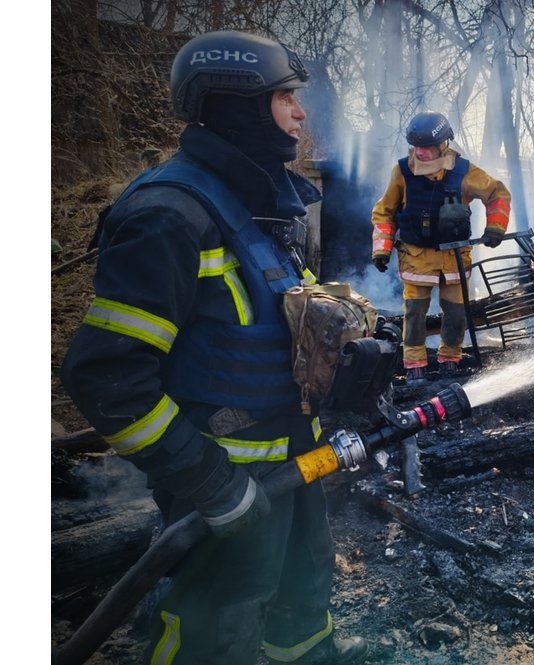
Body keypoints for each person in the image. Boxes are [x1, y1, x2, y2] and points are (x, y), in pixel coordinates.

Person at [61, 31, 371, 665]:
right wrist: (212, 484)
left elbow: (274, 321)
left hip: (292, 462)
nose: (300, 112)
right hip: (224, 479)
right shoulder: (169, 214)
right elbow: (107, 377)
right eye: (284, 96)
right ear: (238, 104)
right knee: (212, 630)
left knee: (302, 609)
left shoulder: (257, 206)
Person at [370, 111, 511, 384]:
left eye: (425, 147)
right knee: (414, 313)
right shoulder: (401, 171)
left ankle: (450, 361)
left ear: (443, 144)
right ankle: (414, 366)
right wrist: (381, 249)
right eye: (415, 147)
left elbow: (498, 193)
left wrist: (495, 228)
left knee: (457, 313)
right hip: (416, 257)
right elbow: (383, 212)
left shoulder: (465, 172)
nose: (419, 153)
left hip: (454, 257)